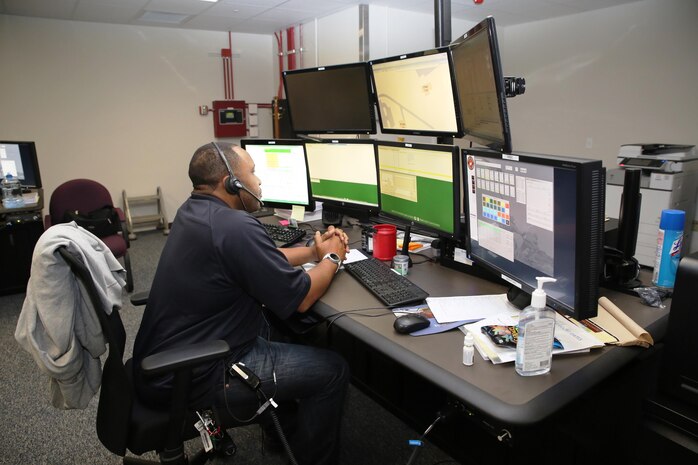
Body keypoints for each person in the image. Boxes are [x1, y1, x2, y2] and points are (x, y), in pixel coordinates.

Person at [132, 142, 350, 465]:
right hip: (198, 373)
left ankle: (283, 433)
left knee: (277, 328)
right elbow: (303, 298)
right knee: (333, 370)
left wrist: (312, 254)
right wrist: (333, 257)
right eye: (252, 172)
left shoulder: (195, 212)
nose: (259, 182)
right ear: (231, 182)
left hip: (165, 358)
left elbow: (259, 259)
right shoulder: (235, 227)